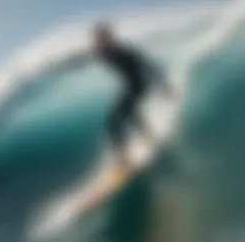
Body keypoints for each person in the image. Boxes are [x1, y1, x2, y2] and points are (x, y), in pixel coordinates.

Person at [51, 22, 173, 169]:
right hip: (129, 87)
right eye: (97, 39)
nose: (98, 42)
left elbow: (146, 64)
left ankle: (125, 159)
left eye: (102, 38)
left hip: (139, 84)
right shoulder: (100, 52)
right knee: (132, 116)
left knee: (114, 123)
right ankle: (150, 140)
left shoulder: (123, 51)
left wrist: (163, 85)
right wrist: (63, 65)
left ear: (109, 37)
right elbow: (81, 59)